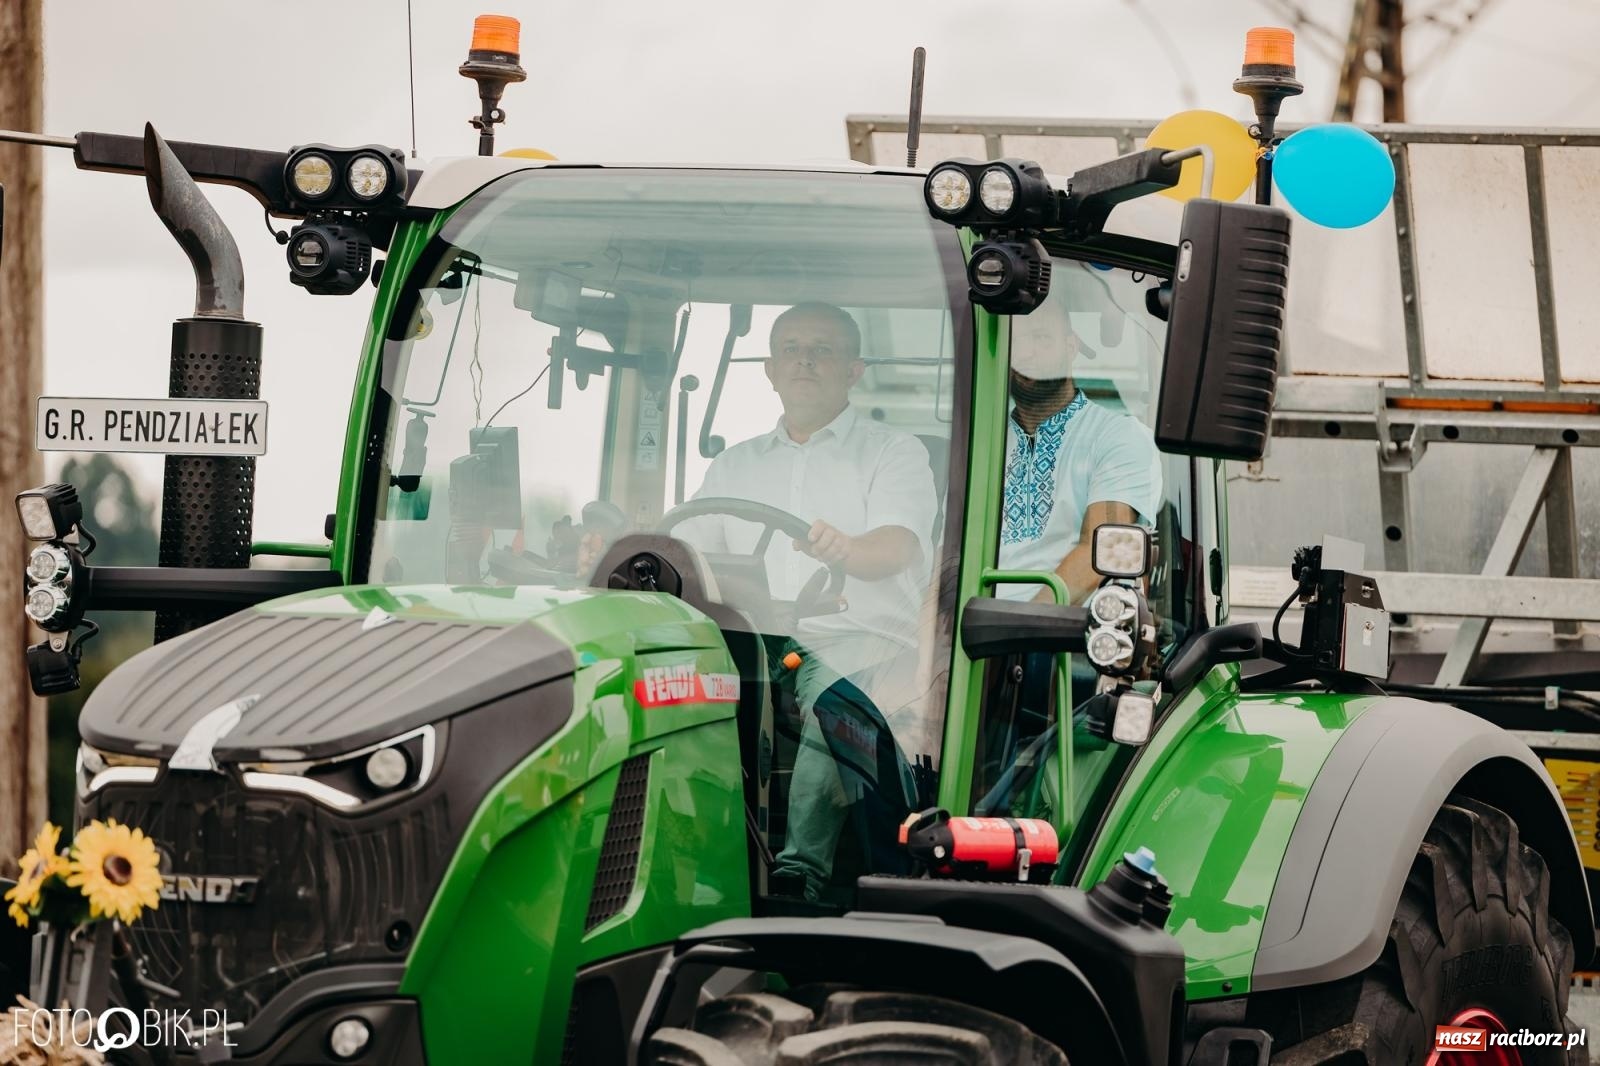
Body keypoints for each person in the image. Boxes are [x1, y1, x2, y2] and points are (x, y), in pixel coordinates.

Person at [681, 301, 940, 900]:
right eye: (792, 349)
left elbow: (898, 546)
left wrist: (847, 548)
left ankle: (801, 876)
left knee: (834, 701)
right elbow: (690, 552)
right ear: (770, 369)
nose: (805, 360)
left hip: (860, 641)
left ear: (854, 370)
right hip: (750, 639)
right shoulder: (733, 463)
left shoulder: (893, 452)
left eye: (822, 350)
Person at [998, 296, 1162, 602]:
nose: (1025, 353)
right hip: (967, 630)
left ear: (1071, 347)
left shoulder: (1118, 436)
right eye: (1013, 340)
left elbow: (1100, 553)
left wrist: (1016, 634)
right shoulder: (987, 441)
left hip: (1061, 638)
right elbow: (949, 557)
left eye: (1041, 338)